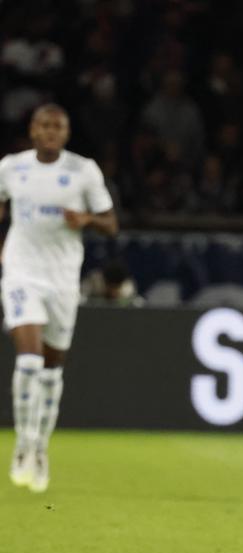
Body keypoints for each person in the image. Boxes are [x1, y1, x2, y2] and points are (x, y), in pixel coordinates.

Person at [2, 104, 118, 492]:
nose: (51, 132)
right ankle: (21, 445)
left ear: (66, 133)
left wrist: (86, 220)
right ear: (32, 130)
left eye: (58, 126)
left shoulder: (83, 171)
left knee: (52, 372)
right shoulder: (11, 167)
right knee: (31, 361)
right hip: (21, 273)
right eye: (44, 125)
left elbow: (111, 223)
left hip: (63, 280)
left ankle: (40, 446)